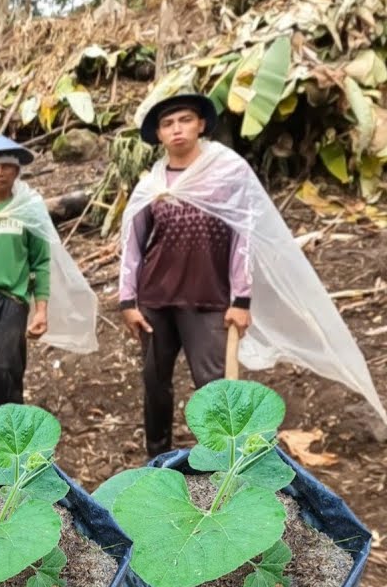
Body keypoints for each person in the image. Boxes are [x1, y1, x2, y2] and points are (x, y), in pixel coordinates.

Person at [119, 88, 387, 456]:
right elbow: (133, 246)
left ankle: (220, 460)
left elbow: (243, 238)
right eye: (167, 124)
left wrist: (241, 300)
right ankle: (157, 456)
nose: (177, 129)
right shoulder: (152, 184)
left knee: (214, 386)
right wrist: (128, 300)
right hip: (156, 299)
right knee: (155, 382)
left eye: (184, 120)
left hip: (208, 297)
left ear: (200, 125)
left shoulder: (226, 173)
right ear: (159, 135)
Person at [0, 135, 98, 465]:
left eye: (7, 167)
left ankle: (10, 442)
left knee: (5, 368)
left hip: (10, 300)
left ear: (17, 172)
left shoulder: (29, 210)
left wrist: (41, 309)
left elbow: (40, 262)